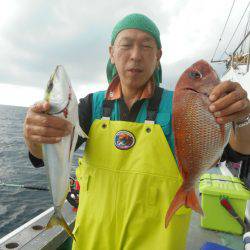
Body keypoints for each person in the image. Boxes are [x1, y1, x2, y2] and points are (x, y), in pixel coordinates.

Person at [23, 13, 250, 250]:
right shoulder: (91, 107)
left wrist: (242, 118)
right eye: (126, 45)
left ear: (158, 56)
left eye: (146, 46)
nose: (135, 55)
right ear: (112, 52)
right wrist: (34, 136)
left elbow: (238, 153)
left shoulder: (182, 107)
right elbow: (43, 155)